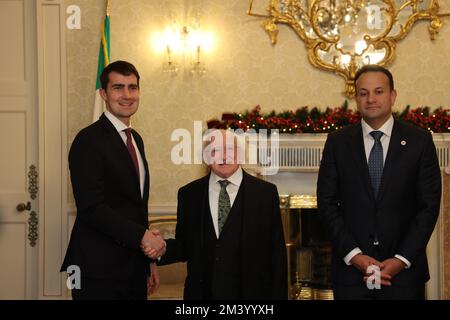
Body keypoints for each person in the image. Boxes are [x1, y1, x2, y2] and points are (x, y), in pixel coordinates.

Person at [317, 65, 441, 300]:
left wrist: (400, 259)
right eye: (363, 93)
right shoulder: (337, 143)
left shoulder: (419, 141)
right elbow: (326, 204)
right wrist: (355, 256)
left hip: (404, 275)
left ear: (393, 95)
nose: (371, 99)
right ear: (356, 98)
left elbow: (429, 206)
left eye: (378, 91)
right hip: (351, 275)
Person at [61, 60, 166, 300]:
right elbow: (91, 208)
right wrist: (144, 237)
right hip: (99, 267)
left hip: (133, 266)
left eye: (133, 87)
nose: (127, 95)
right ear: (103, 94)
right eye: (118, 87)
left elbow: (136, 206)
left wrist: (149, 261)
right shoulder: (88, 140)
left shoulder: (136, 139)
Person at [143, 129, 288, 299]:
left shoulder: (265, 193)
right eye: (215, 151)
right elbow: (185, 246)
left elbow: (277, 254)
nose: (223, 156)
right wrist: (160, 249)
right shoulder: (189, 194)